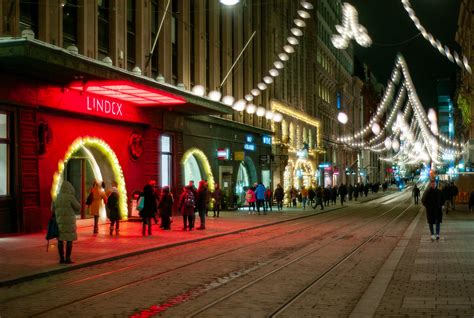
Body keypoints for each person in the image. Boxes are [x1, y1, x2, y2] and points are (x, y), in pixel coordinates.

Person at [54, 181, 81, 264]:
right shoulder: (70, 197)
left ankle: (61, 259)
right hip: (69, 222)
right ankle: (68, 258)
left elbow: (52, 209)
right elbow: (78, 207)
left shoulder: (57, 197)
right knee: (69, 240)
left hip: (60, 221)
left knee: (60, 240)